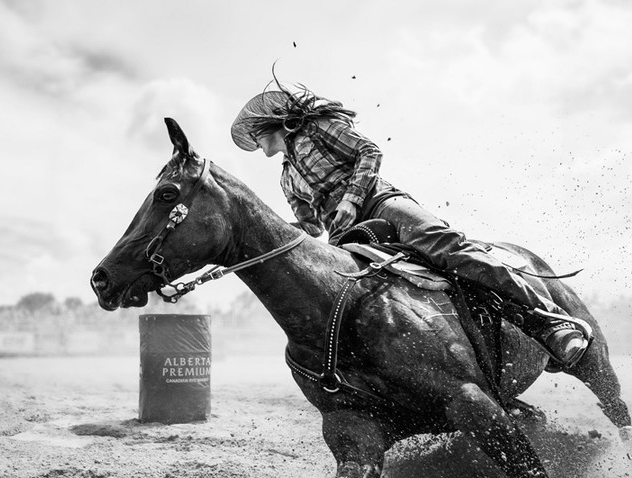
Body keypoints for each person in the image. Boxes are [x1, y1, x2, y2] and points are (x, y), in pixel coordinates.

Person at [230, 83, 592, 368]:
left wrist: (351, 200)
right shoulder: (287, 179)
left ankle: (551, 322)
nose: (255, 142)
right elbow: (310, 227)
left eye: (255, 133)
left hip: (381, 203)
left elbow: (369, 152)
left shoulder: (319, 128)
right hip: (343, 236)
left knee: (446, 248)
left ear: (270, 125)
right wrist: (273, 232)